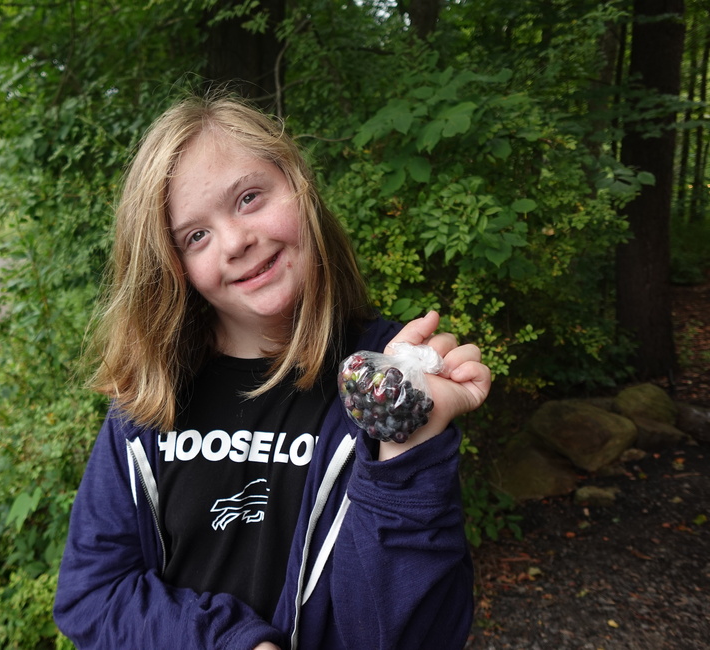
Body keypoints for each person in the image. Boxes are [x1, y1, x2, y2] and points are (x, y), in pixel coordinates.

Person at [52, 94, 492, 650]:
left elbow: (412, 636)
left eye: (249, 198)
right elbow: (91, 594)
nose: (236, 241)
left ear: (299, 187)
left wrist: (406, 439)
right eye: (196, 236)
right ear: (173, 267)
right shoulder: (148, 401)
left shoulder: (382, 380)